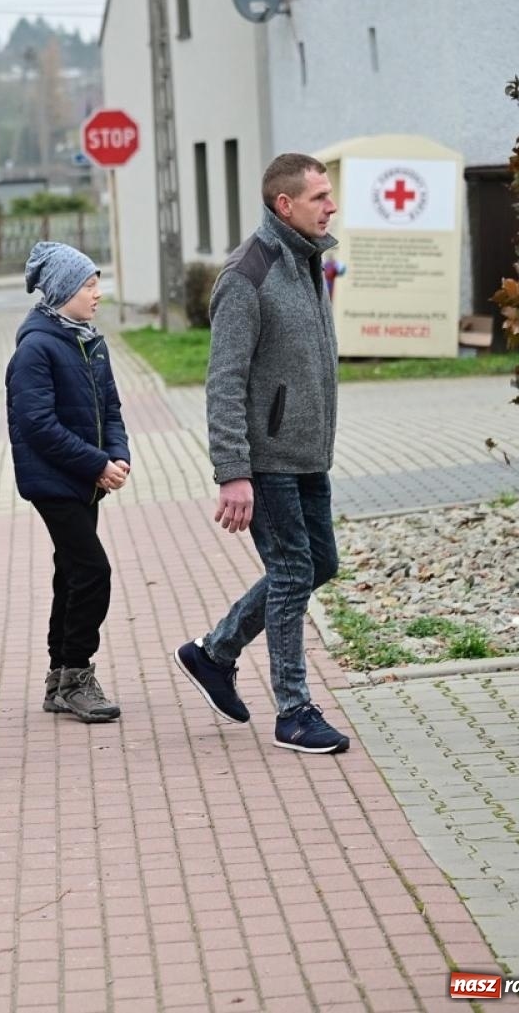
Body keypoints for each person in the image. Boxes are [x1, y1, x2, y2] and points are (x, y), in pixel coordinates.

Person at [173, 152, 352, 755]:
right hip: (267, 459)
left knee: (316, 564)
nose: (331, 204)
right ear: (285, 205)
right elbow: (224, 381)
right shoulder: (246, 275)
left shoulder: (306, 261)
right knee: (293, 570)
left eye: (329, 194)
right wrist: (234, 473)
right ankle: (294, 709)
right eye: (319, 196)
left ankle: (214, 652)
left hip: (306, 454)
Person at [6, 242, 128, 724]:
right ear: (61, 292)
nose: (98, 292)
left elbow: (111, 407)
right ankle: (78, 676)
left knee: (72, 572)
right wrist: (96, 463)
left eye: (97, 282)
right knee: (93, 572)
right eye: (88, 284)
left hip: (85, 477)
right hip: (53, 481)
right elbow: (37, 424)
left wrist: (117, 455)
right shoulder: (36, 347)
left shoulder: (88, 339)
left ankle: (60, 678)